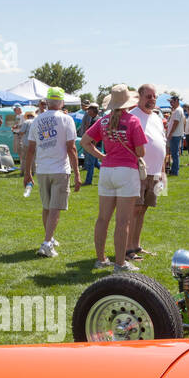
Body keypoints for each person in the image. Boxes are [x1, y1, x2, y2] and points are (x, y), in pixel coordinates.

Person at [81, 85, 146, 271]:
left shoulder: (102, 121)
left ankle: (101, 259)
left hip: (107, 171)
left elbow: (85, 142)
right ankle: (120, 263)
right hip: (127, 171)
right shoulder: (133, 121)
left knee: (103, 219)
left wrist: (102, 157)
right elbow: (141, 151)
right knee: (123, 221)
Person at [22, 87, 80, 257]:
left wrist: (27, 173)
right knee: (55, 208)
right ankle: (47, 243)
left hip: (43, 169)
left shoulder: (37, 120)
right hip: (60, 169)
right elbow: (72, 148)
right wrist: (77, 173)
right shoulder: (66, 119)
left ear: (47, 102)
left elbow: (30, 150)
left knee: (47, 207)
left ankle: (50, 237)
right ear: (61, 102)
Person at [129, 84, 168, 263]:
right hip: (138, 171)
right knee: (134, 209)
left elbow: (162, 143)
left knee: (144, 209)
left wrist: (162, 171)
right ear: (140, 97)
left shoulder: (157, 118)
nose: (152, 99)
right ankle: (128, 248)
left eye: (154, 96)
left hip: (155, 172)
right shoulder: (132, 116)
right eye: (148, 96)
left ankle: (137, 246)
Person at [78, 103, 101, 184]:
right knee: (95, 163)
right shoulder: (95, 118)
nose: (87, 111)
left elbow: (96, 134)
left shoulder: (95, 120)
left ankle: (88, 181)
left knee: (90, 164)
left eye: (89, 110)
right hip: (95, 144)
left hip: (94, 145)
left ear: (92, 111)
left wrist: (93, 146)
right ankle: (108, 170)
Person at [165, 95, 185, 176]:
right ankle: (173, 169)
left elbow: (176, 123)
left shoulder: (178, 111)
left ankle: (174, 171)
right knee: (174, 153)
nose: (170, 103)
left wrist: (170, 133)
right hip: (175, 134)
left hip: (175, 135)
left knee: (174, 154)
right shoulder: (177, 110)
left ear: (176, 101)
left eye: (172, 102)